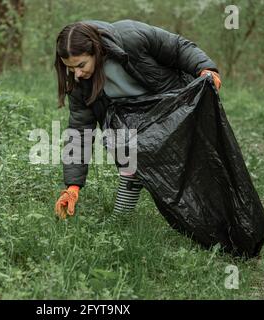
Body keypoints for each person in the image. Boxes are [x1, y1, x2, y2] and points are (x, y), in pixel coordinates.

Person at [53, 19, 221, 220]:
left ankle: (214, 212)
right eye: (71, 69)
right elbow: (80, 131)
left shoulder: (131, 37)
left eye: (81, 65)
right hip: (128, 117)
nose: (77, 74)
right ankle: (120, 222)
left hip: (168, 103)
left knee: (194, 162)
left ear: (96, 50)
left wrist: (206, 69)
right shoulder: (80, 84)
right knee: (128, 160)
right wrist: (72, 187)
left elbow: (178, 48)